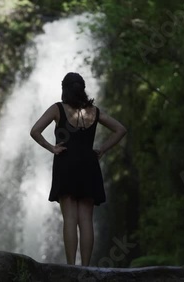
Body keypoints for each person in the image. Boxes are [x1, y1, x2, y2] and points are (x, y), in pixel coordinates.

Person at [30, 72, 127, 266]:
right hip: (89, 165)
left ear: (64, 89)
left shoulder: (58, 108)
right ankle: (86, 268)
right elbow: (121, 129)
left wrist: (52, 148)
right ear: (82, 89)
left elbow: (35, 131)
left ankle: (71, 268)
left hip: (66, 163)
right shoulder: (94, 112)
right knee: (86, 220)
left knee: (70, 218)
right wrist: (102, 150)